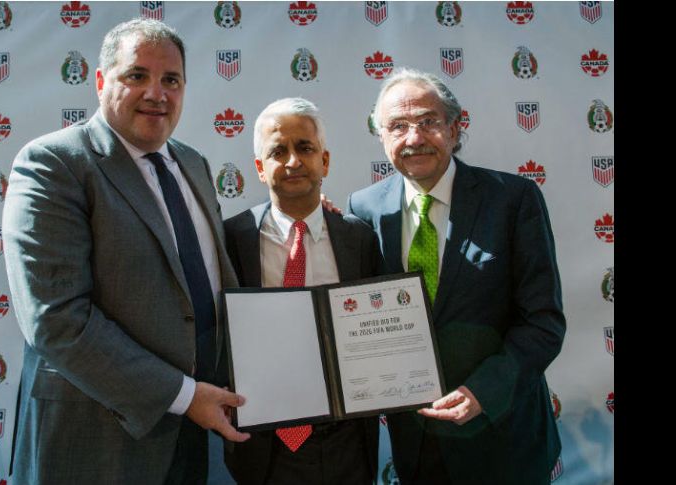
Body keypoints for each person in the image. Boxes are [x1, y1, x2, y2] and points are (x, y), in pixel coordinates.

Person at [2, 18, 250, 485]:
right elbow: (56, 320)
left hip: (195, 434)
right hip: (99, 441)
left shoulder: (193, 163)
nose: (156, 93)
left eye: (171, 80)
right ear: (100, 82)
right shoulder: (55, 163)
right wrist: (182, 394)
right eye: (137, 75)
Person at [347, 68, 566, 484]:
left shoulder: (513, 200)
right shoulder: (363, 208)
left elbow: (544, 322)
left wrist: (484, 392)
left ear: (454, 127)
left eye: (428, 122)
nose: (414, 138)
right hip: (417, 443)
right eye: (398, 126)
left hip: (504, 438)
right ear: (381, 136)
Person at [222, 98, 381, 485]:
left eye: (304, 148)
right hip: (262, 443)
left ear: (324, 161)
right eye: (278, 151)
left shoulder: (358, 237)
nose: (293, 161)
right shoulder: (229, 238)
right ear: (260, 168)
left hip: (347, 438)